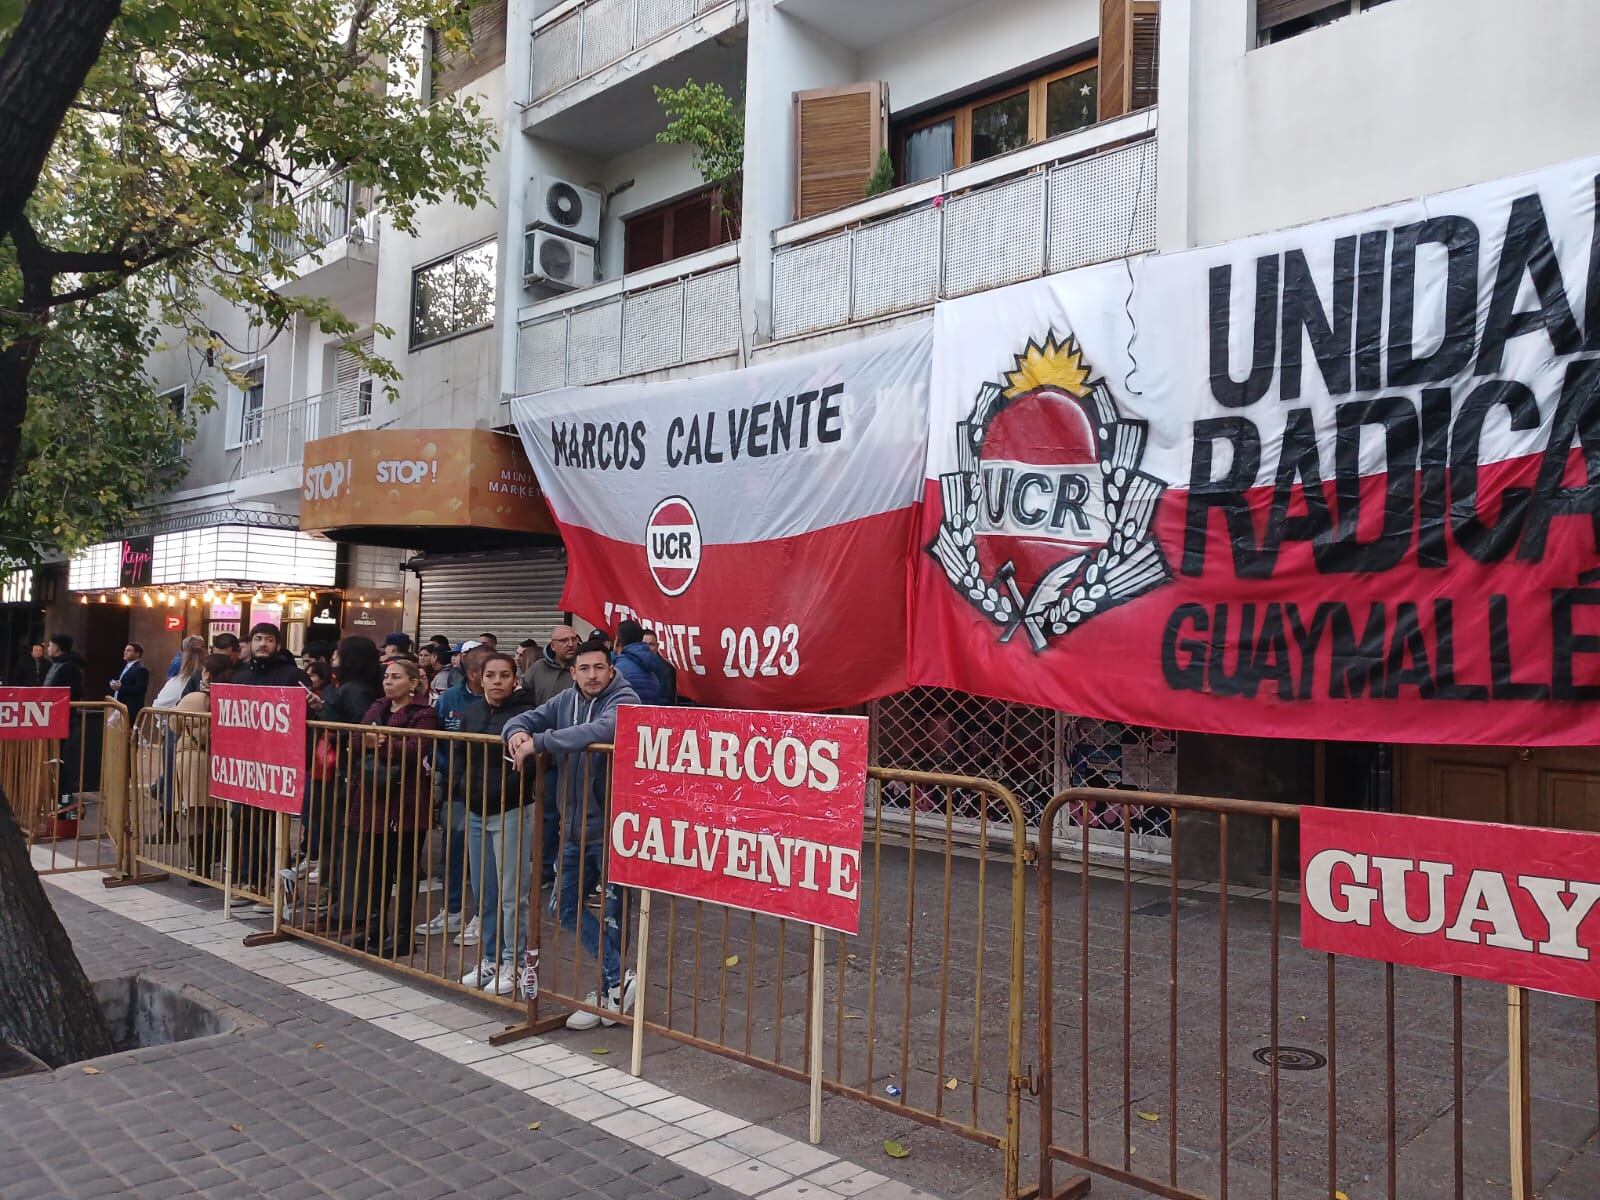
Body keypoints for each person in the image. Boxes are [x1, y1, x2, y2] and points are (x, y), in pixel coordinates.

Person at [505, 636, 639, 1030]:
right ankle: (617, 979)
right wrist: (515, 734)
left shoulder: (625, 700)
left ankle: (609, 990)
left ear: (611, 669)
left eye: (599, 668)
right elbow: (526, 718)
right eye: (584, 669)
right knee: (562, 907)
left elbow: (602, 730)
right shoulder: (565, 700)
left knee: (614, 915)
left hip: (615, 828)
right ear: (573, 672)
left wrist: (540, 743)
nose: (593, 675)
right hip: (573, 827)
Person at [446, 653, 537, 995]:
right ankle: (489, 958)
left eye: (504, 675)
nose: (497, 681)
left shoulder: (526, 715)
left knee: (513, 894)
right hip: (474, 809)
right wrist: (459, 787)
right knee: (483, 892)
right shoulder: (471, 712)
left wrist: (515, 788)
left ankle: (514, 962)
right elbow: (458, 754)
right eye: (491, 675)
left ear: (515, 679)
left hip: (511, 810)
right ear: (479, 679)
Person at [345, 658, 438, 958]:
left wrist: (381, 743)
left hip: (407, 800)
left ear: (413, 683)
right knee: (376, 868)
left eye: (396, 677)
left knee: (405, 870)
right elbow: (357, 737)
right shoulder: (378, 707)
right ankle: (374, 928)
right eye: (386, 676)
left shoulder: (423, 713)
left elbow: (415, 749)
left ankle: (401, 934)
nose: (388, 682)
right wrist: (376, 741)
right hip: (373, 796)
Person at [298, 636, 384, 906]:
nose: (334, 659)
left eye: (339, 654)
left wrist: (324, 712)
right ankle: (333, 894)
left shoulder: (354, 690)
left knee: (336, 837)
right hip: (338, 769)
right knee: (333, 836)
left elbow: (355, 729)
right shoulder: (351, 687)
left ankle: (336, 897)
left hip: (343, 770)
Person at [426, 642, 489, 948]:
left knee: (484, 858)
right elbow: (436, 739)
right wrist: (445, 768)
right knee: (452, 850)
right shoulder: (450, 698)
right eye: (484, 671)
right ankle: (450, 909)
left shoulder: (503, 702)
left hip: (491, 791)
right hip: (456, 788)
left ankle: (480, 916)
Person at [172, 654, 232, 885]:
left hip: (192, 759)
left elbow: (174, 724)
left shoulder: (194, 698)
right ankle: (226, 865)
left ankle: (200, 870)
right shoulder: (230, 698)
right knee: (219, 815)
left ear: (207, 672)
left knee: (196, 816)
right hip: (222, 762)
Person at [230, 623, 310, 687]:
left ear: (278, 646)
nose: (262, 644)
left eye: (269, 640)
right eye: (258, 639)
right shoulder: (239, 678)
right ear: (250, 644)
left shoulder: (295, 676)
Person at [611, 620, 672, 706]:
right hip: (648, 717)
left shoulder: (617, 670)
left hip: (624, 717)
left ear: (617, 641)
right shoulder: (655, 665)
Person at [524, 625, 578, 704]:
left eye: (574, 639)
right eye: (564, 640)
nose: (570, 644)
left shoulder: (584, 668)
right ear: (552, 646)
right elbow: (522, 694)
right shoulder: (539, 667)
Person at [153, 638, 206, 708]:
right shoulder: (194, 681)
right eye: (202, 646)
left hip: (158, 713)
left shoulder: (175, 678)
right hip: (172, 715)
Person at [109, 642, 151, 718]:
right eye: (125, 650)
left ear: (137, 653)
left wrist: (121, 687)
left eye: (129, 650)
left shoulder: (141, 669)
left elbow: (140, 689)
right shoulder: (126, 667)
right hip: (119, 706)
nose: (125, 652)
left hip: (130, 709)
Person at [640, 630, 678, 703]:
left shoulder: (667, 669)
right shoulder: (634, 665)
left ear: (657, 646)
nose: (647, 648)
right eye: (644, 644)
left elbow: (668, 701)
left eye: (651, 644)